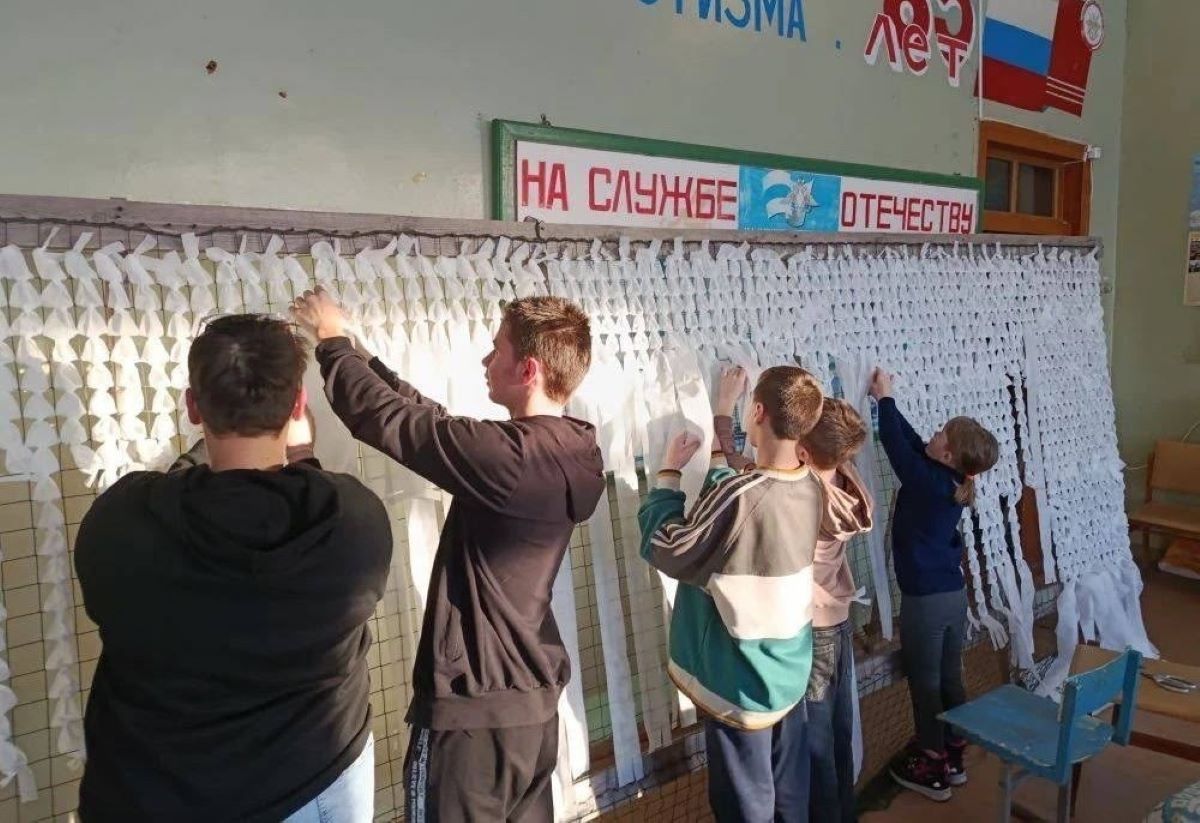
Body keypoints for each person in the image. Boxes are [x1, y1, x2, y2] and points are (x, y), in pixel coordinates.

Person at [291, 288, 604, 823]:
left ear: (527, 369)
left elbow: (386, 421)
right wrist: (361, 354)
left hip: (471, 720)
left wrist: (330, 339)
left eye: (496, 349)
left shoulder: (509, 458)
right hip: (531, 711)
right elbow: (430, 419)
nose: (486, 360)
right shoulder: (574, 448)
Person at [75, 314, 393, 822]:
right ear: (298, 405)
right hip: (309, 785)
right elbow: (305, 496)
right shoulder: (353, 519)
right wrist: (303, 454)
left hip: (150, 795)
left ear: (193, 407)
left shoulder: (121, 518)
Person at [639, 366, 825, 823]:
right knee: (790, 796)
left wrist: (667, 476)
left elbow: (667, 547)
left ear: (757, 412)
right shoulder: (810, 486)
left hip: (742, 686)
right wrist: (722, 409)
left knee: (745, 804)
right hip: (787, 676)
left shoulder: (741, 496)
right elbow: (742, 488)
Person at [714, 367, 874, 823]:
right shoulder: (847, 483)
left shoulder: (802, 491)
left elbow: (734, 465)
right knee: (837, 737)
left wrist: (723, 408)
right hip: (838, 628)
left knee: (815, 749)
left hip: (810, 635)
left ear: (802, 450)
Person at [868, 368, 999, 802]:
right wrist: (886, 401)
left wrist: (885, 401)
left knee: (924, 683)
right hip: (952, 598)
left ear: (948, 454)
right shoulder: (947, 478)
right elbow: (910, 440)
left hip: (925, 603)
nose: (935, 432)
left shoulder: (927, 482)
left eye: (942, 432)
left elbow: (897, 447)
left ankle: (932, 764)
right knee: (948, 677)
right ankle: (954, 755)